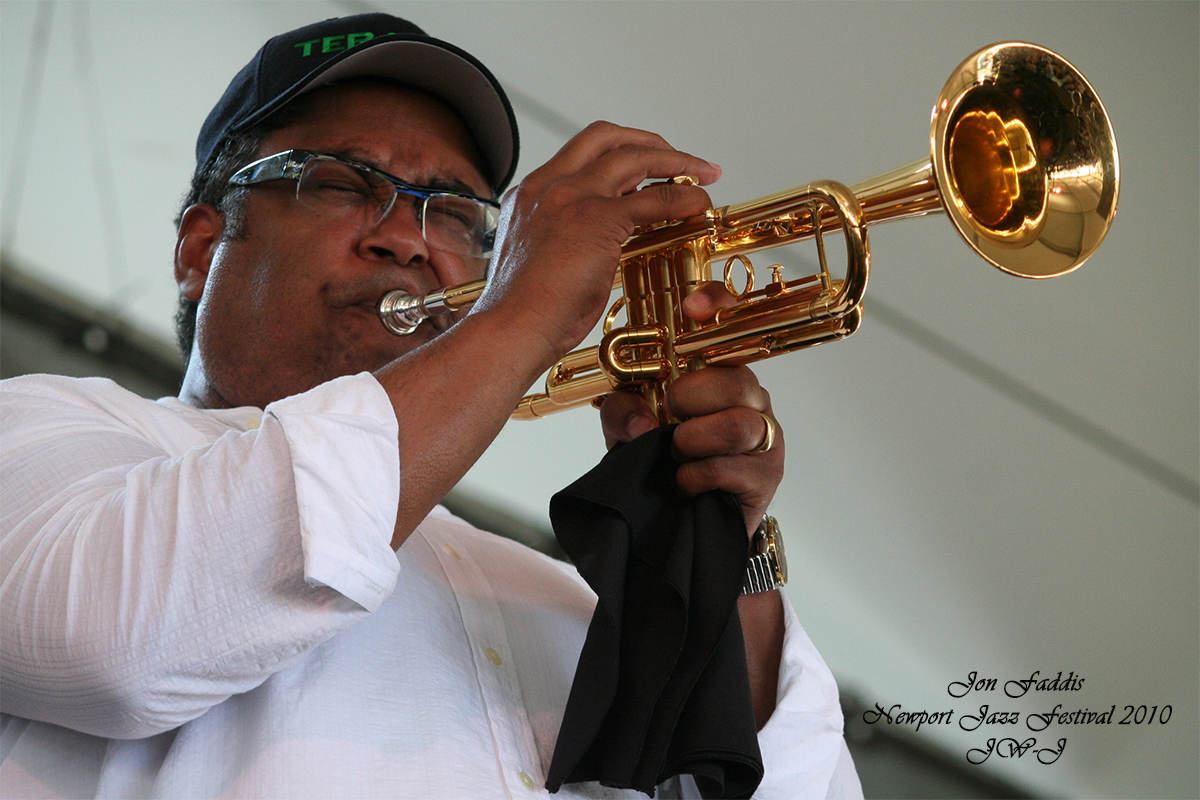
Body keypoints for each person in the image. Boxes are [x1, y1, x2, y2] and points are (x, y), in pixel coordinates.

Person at [0, 13, 861, 799]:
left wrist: (717, 545)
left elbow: (790, 787)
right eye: (340, 181)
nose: (408, 239)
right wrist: (524, 315)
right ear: (201, 249)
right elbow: (116, 642)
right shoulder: (44, 432)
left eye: (452, 213)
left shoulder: (555, 594)